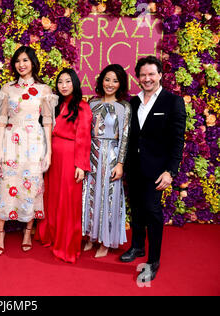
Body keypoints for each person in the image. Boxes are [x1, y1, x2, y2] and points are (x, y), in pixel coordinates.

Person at [121, 56, 186, 283]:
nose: (147, 78)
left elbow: (178, 140)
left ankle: (153, 260)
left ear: (160, 75)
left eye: (151, 74)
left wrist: (170, 171)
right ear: (138, 77)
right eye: (143, 75)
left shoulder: (173, 102)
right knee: (137, 210)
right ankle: (137, 246)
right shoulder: (134, 101)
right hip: (134, 168)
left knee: (152, 211)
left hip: (157, 170)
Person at [0, 46, 58, 256]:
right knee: (6, 185)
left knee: (31, 186)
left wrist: (48, 153)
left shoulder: (44, 90)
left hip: (34, 143)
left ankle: (27, 233)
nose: (21, 64)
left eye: (25, 60)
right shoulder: (7, 89)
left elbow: (48, 122)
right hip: (11, 142)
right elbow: (2, 120)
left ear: (32, 62)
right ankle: (1, 234)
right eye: (18, 61)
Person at [34, 68, 92, 263]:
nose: (64, 86)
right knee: (52, 197)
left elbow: (84, 138)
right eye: (60, 82)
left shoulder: (83, 107)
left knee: (68, 202)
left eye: (67, 81)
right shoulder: (55, 104)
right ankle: (51, 235)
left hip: (70, 157)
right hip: (53, 157)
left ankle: (67, 245)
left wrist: (80, 165)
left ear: (75, 83)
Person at [82, 64, 131, 258]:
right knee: (90, 196)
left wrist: (120, 164)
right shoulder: (92, 103)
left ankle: (106, 241)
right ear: (101, 80)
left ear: (121, 84)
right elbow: (84, 132)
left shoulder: (124, 107)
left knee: (109, 198)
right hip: (91, 155)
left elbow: (125, 137)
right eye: (107, 79)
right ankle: (90, 237)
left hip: (111, 156)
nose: (110, 84)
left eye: (115, 80)